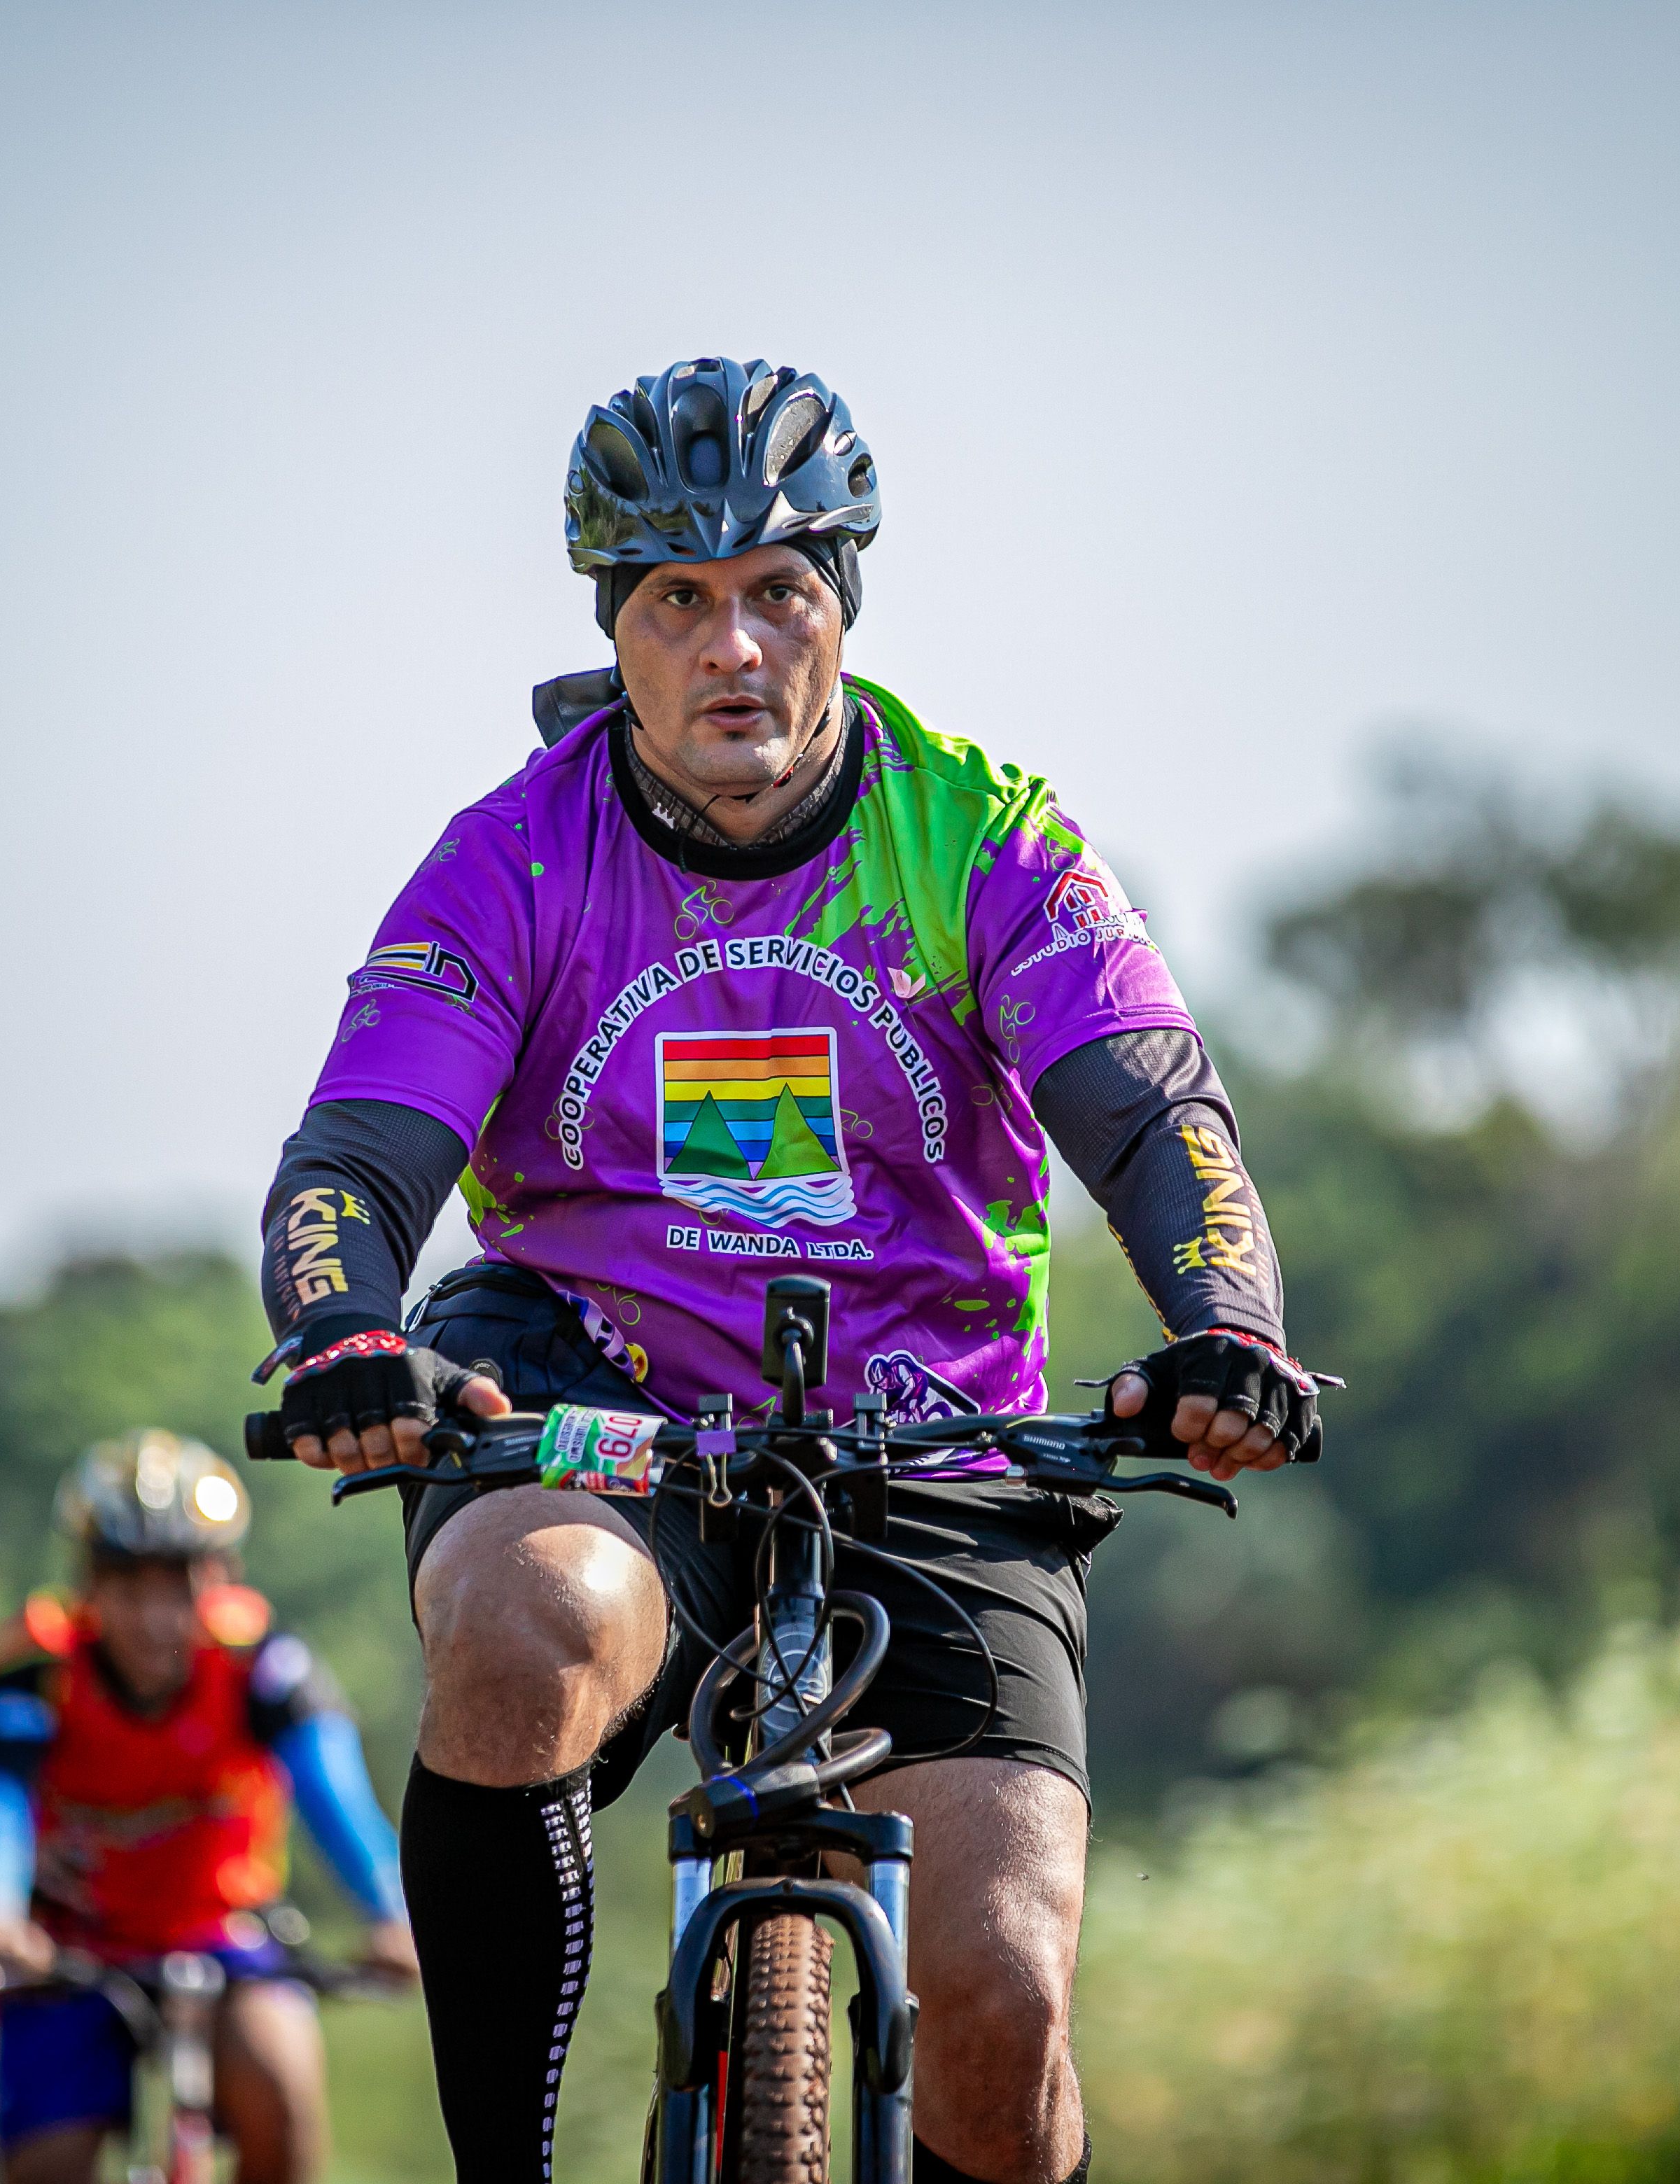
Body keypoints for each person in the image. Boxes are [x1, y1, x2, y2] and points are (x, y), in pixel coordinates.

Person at [258, 358, 1327, 2184]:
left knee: (1002, 2001)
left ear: (846, 603)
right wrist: (347, 1332)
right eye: (679, 601)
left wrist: (1228, 1328)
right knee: (521, 1633)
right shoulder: (512, 860)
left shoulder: (985, 836)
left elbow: (1159, 1121)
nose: (734, 648)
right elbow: (354, 1164)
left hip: (935, 1436)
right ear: (617, 626)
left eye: (778, 593)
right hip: (601, 1401)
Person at [0, 1428, 419, 2184]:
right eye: (128, 1589)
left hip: (225, 1934)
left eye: (181, 1587)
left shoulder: (264, 1665)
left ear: (223, 1578)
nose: (155, 1619)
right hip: (65, 1946)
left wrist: (392, 1914)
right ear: (87, 1583)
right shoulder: (32, 1673)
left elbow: (336, 1795)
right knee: (46, 2163)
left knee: (279, 2086)